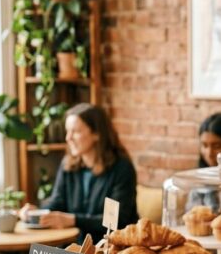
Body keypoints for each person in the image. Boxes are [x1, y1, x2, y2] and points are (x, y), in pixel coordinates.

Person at [20, 103, 137, 243]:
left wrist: (72, 220)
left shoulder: (121, 168)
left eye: (75, 131)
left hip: (110, 250)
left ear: (96, 134)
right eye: (67, 131)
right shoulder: (68, 164)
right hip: (75, 249)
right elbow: (57, 202)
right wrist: (35, 212)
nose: (68, 138)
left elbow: (117, 220)